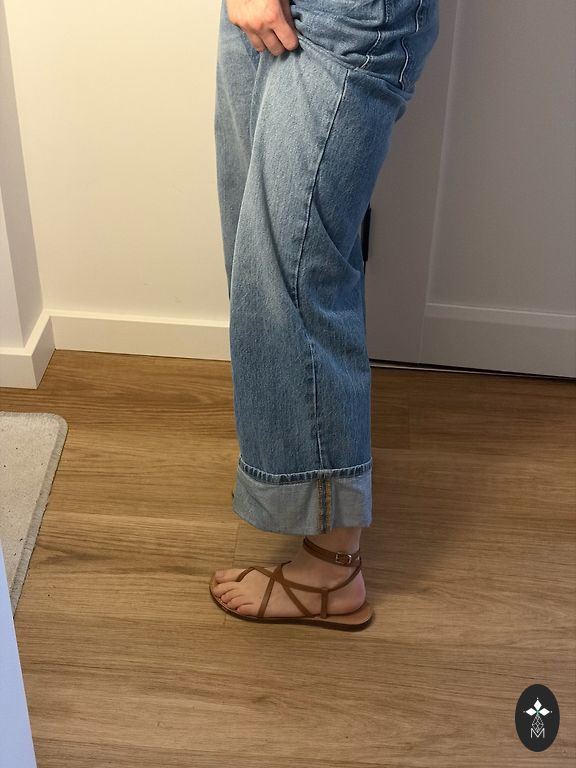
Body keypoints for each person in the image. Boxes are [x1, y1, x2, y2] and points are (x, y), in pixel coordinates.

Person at [209, 0, 439, 629]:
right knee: (260, 262)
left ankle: (333, 569)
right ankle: (310, 498)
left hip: (352, 13)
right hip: (257, 10)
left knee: (296, 270)